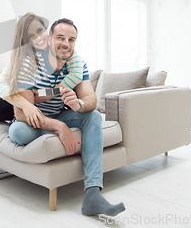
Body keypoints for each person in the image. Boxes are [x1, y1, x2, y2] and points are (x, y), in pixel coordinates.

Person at [8, 17, 125, 217]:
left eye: (71, 40)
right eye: (60, 37)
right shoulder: (30, 64)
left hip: (60, 114)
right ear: (48, 40)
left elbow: (91, 99)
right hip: (30, 119)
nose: (66, 44)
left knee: (93, 116)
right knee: (19, 132)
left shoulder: (77, 67)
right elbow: (20, 113)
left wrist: (78, 104)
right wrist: (60, 127)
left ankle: (92, 193)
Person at [0, 13, 85, 129]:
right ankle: (22, 116)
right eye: (31, 36)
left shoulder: (62, 48)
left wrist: (49, 93)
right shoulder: (23, 57)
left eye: (40, 30)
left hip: (48, 95)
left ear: (46, 29)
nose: (38, 38)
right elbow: (0, 84)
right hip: (23, 95)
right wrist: (25, 105)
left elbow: (77, 75)